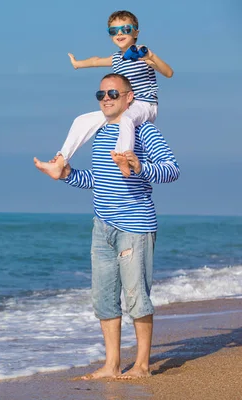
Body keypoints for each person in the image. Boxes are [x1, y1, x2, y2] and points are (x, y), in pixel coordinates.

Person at [35, 73, 180, 379]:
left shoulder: (145, 132)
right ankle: (112, 365)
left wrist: (141, 166)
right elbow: (97, 180)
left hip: (135, 227)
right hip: (102, 227)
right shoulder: (100, 132)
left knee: (136, 297)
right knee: (103, 298)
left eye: (113, 94)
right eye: (101, 95)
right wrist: (67, 175)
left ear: (130, 98)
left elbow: (171, 170)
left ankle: (141, 366)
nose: (106, 99)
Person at [37, 10, 173, 178]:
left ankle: (124, 157)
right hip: (123, 106)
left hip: (144, 105)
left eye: (126, 29)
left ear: (136, 32)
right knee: (82, 121)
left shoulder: (143, 56)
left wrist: (150, 56)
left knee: (127, 120)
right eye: (114, 31)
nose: (120, 33)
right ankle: (60, 162)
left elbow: (168, 73)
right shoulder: (116, 58)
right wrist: (77, 64)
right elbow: (96, 61)